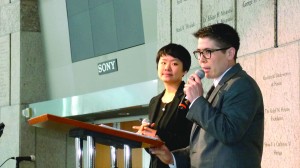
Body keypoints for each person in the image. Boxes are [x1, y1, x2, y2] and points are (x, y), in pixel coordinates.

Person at [149, 23, 264, 168]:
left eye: (208, 52)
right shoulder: (219, 86)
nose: (202, 59)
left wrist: (197, 100)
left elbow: (229, 132)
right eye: (199, 53)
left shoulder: (242, 85)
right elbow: (204, 145)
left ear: (230, 53)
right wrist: (171, 157)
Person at [133, 43, 193, 168]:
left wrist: (156, 134)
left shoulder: (189, 97)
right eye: (163, 62)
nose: (167, 68)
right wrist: (144, 135)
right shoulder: (154, 102)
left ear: (185, 70)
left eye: (174, 63)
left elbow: (192, 141)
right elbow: (152, 149)